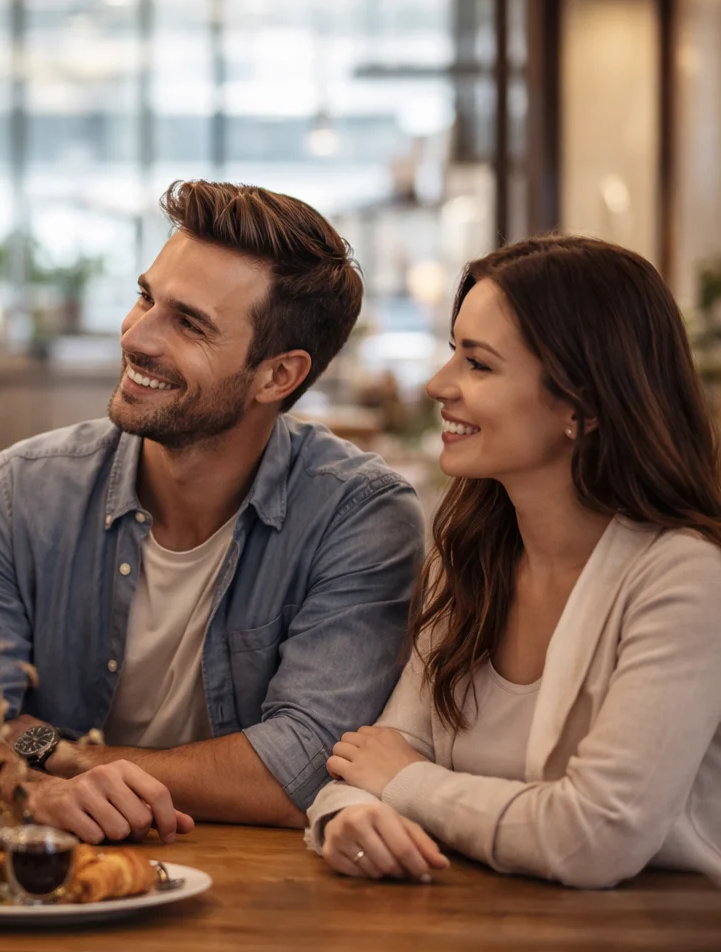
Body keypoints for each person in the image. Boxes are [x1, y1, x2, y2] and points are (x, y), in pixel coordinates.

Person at [0, 182, 424, 842]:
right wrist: (31, 790)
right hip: (55, 875)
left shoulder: (359, 516)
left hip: (267, 900)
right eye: (146, 297)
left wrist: (60, 753)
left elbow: (300, 767)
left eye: (190, 323)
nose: (137, 337)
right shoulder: (22, 490)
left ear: (278, 376)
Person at [307, 236, 721, 889]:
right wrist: (351, 819)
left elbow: (594, 836)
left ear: (579, 407)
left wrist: (405, 785)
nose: (438, 385)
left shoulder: (684, 580)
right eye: (453, 353)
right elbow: (373, 757)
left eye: (478, 363)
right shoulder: (469, 550)